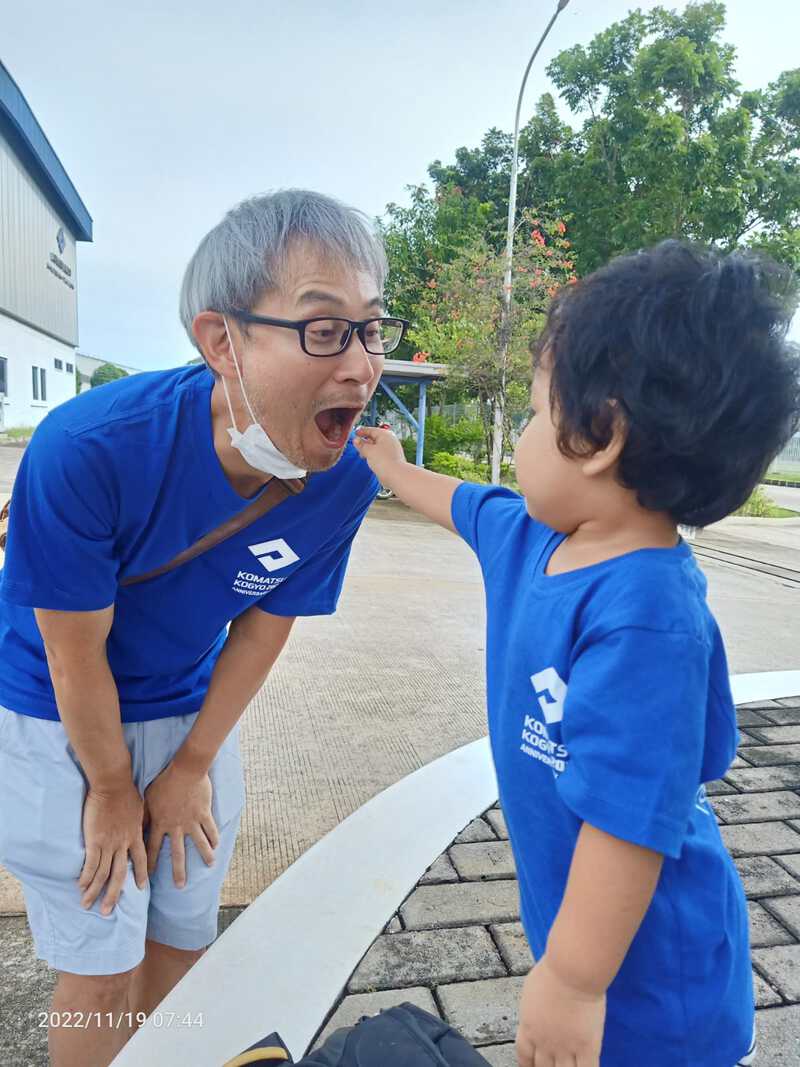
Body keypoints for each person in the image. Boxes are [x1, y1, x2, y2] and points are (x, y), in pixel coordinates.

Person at [354, 240, 800, 1067]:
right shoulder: (534, 537)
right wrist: (392, 466)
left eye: (532, 411)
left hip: (658, 990)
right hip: (586, 943)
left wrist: (570, 979)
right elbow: (461, 501)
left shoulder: (650, 620)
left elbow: (628, 823)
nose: (523, 434)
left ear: (599, 434)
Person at [0, 189, 406, 1067]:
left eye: (372, 329)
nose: (361, 365)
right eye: (324, 329)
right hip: (58, 719)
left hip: (189, 712)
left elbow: (263, 626)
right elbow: (73, 655)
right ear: (222, 341)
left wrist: (189, 767)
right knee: (103, 970)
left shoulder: (342, 480)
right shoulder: (90, 448)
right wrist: (113, 789)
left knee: (185, 949)